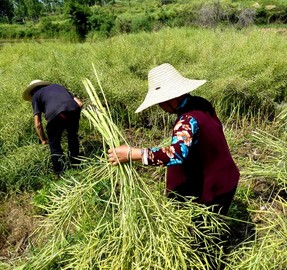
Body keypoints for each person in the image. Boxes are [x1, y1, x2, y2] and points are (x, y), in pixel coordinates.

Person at [108, 63, 240, 215]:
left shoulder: (187, 120)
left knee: (205, 235)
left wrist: (132, 154)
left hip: (212, 191)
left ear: (169, 99)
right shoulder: (201, 103)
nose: (159, 106)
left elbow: (176, 154)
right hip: (227, 179)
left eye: (159, 102)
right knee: (215, 227)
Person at [23, 80, 83, 177]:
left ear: (32, 91)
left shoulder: (36, 96)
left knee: (54, 144)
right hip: (73, 109)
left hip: (56, 115)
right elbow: (80, 103)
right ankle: (76, 164)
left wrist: (43, 139)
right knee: (73, 137)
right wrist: (73, 115)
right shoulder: (58, 86)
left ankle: (60, 173)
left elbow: (37, 123)